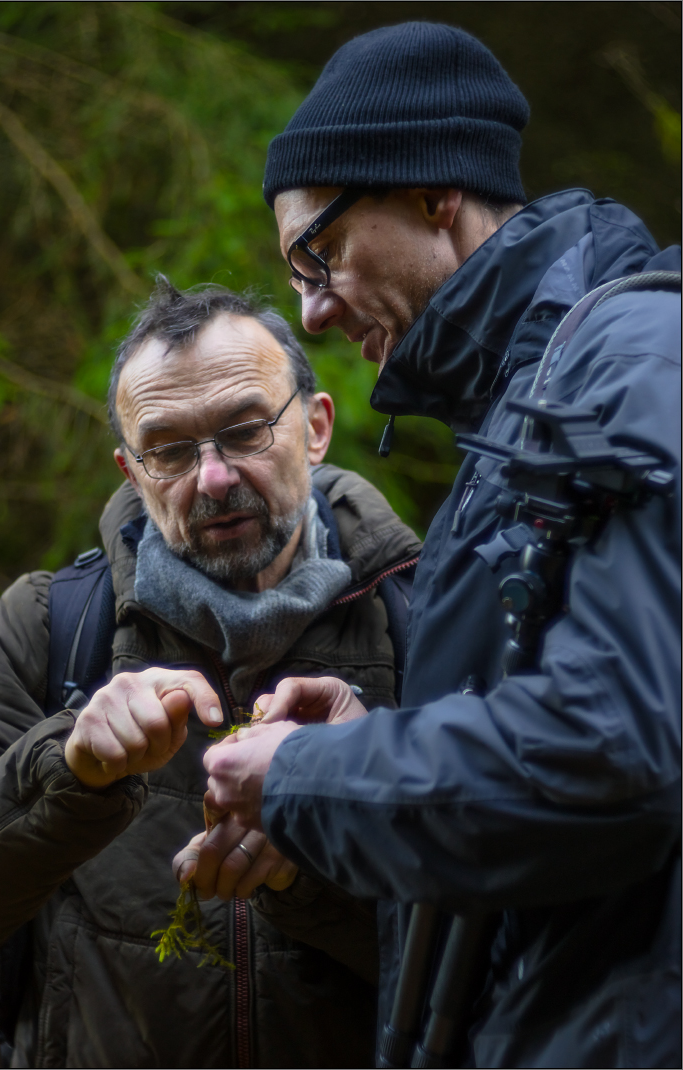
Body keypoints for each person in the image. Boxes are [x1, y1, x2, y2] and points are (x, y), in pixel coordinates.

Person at [194, 22, 682, 1069]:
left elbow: (620, 762)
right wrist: (376, 731)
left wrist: (317, 772)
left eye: (317, 255)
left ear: (429, 191)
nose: (312, 311)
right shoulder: (529, 405)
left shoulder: (627, 366)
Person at [0, 279, 421, 1069]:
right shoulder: (49, 627)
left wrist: (321, 852)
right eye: (171, 449)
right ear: (130, 470)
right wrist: (68, 772)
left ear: (315, 428)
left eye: (245, 431)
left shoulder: (425, 618)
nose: (212, 478)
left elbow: (516, 944)